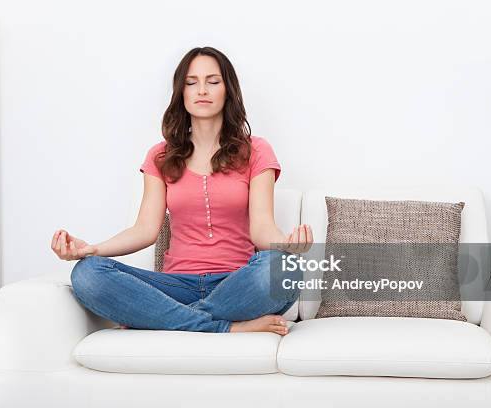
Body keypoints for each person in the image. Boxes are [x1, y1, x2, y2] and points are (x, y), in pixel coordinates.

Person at [51, 46, 313, 334]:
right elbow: (144, 230)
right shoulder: (160, 156)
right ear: (181, 92)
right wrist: (92, 248)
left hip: (237, 285)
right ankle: (225, 327)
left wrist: (286, 247)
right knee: (88, 273)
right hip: (175, 286)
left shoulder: (256, 150)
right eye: (191, 82)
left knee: (284, 268)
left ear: (228, 91)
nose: (202, 89)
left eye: (213, 81)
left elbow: (262, 226)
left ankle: (160, 318)